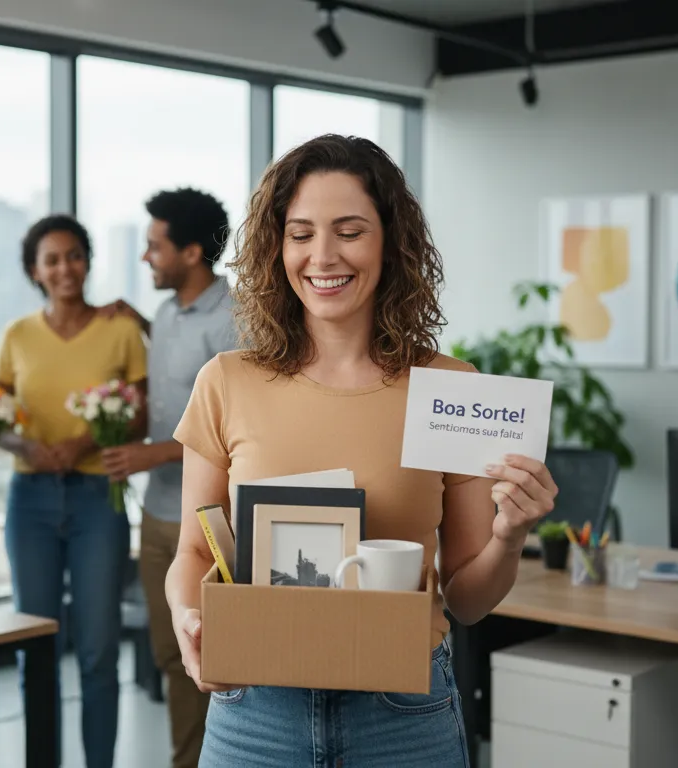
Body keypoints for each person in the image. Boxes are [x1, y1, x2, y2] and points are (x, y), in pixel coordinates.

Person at [163, 135, 560, 767]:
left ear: (390, 243)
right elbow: (191, 549)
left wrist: (510, 536)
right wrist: (189, 621)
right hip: (254, 716)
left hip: (402, 718)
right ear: (276, 247)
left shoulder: (450, 389)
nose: (323, 256)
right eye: (300, 233)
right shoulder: (226, 381)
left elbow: (465, 599)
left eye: (349, 231)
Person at [0, 214, 148, 768]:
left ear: (88, 260)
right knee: (36, 645)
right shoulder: (16, 335)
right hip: (30, 500)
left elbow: (139, 416)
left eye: (74, 255)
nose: (65, 268)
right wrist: (26, 448)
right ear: (35, 271)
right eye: (52, 260)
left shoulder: (120, 330)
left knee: (98, 649)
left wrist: (83, 442)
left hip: (96, 500)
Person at [99, 188, 238, 768]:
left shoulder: (234, 321)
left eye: (155, 247)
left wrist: (149, 455)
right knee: (170, 654)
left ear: (189, 253)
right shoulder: (163, 314)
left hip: (209, 521)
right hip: (158, 516)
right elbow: (176, 385)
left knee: (215, 658)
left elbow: (235, 430)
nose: (145, 258)